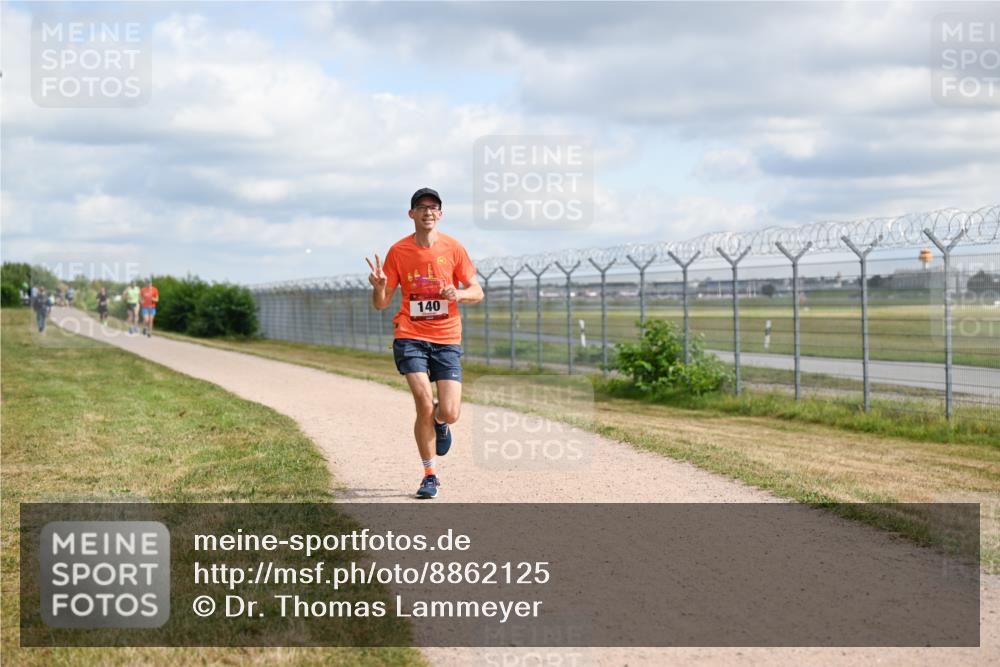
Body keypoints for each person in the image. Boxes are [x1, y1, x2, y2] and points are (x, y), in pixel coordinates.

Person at [366, 187, 483, 499]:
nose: (427, 212)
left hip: (446, 339)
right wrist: (379, 287)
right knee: (421, 402)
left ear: (440, 214)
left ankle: (441, 422)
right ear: (412, 214)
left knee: (450, 411)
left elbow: (477, 290)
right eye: (421, 207)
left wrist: (457, 294)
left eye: (433, 207)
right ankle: (429, 474)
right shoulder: (398, 251)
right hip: (410, 336)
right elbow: (381, 303)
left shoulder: (454, 248)